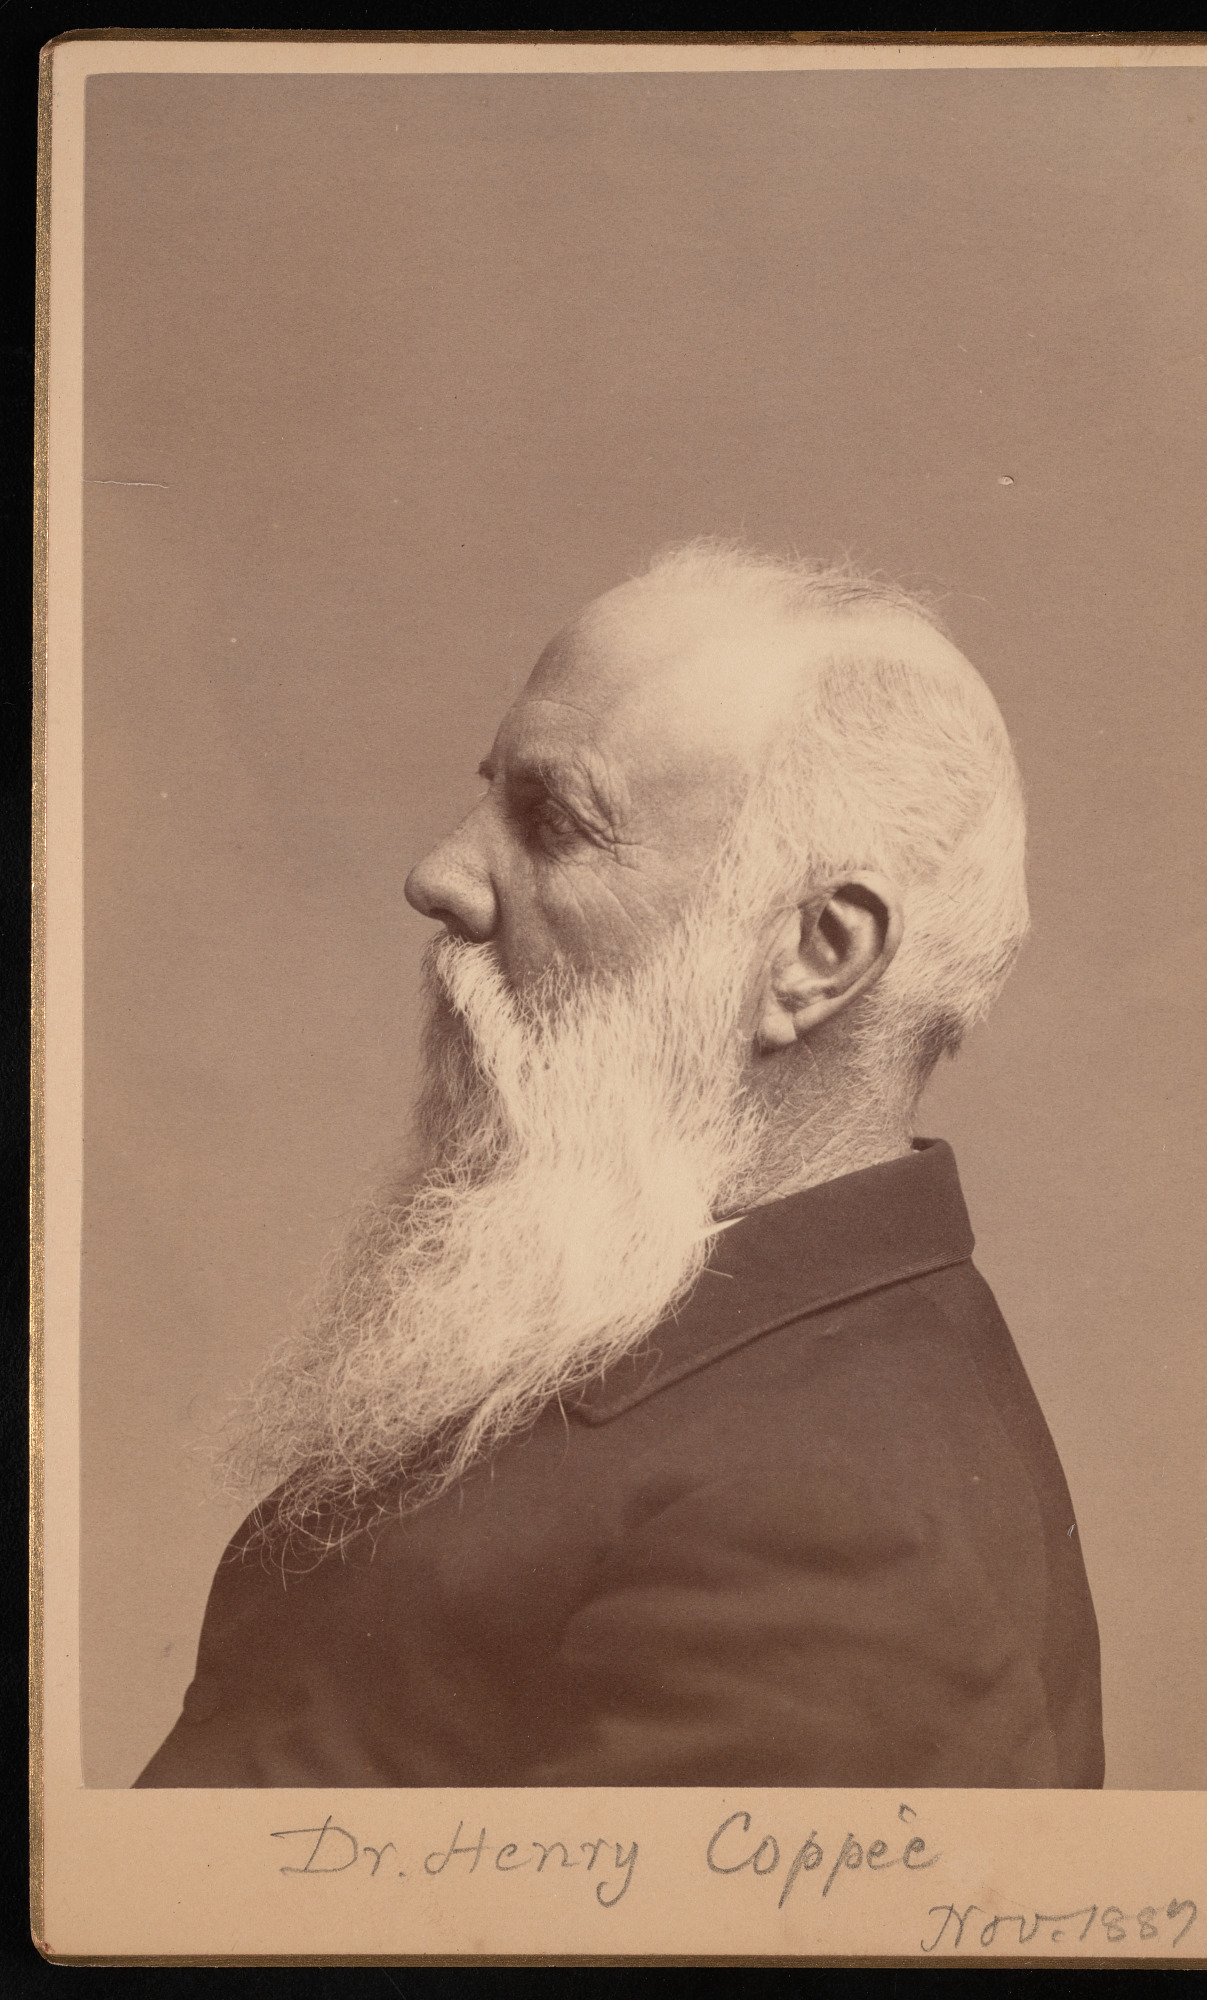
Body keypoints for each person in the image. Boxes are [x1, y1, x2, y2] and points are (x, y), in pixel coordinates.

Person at [136, 539, 1103, 1789]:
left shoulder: (837, 1524)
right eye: (487, 797)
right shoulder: (614, 1312)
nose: (437, 874)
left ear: (815, 952)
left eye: (553, 822)